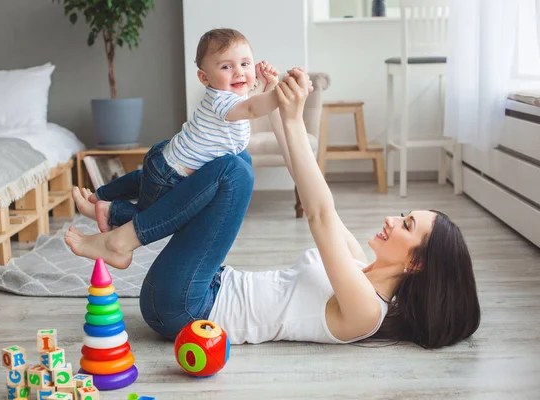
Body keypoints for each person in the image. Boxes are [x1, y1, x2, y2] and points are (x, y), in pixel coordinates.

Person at [65, 69, 481, 349]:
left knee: (232, 169)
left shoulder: (367, 311)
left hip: (185, 309)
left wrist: (297, 119)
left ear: (418, 264)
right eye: (403, 215)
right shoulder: (359, 265)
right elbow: (307, 184)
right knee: (236, 162)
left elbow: (319, 212)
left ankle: (122, 236)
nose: (393, 219)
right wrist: (278, 104)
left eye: (407, 225)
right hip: (201, 287)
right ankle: (118, 218)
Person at [73, 28, 280, 233]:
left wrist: (267, 84)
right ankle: (108, 211)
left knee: (143, 179)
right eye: (226, 66)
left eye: (245, 64)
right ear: (204, 78)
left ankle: (100, 195)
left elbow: (253, 102)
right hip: (171, 175)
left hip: (166, 159)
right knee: (154, 216)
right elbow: (253, 108)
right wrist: (280, 94)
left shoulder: (234, 94)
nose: (239, 72)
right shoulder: (221, 100)